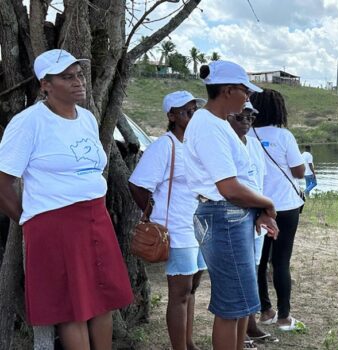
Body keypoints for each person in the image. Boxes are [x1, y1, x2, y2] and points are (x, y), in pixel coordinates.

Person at [0, 49, 133, 349]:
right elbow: (3, 183)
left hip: (95, 218)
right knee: (72, 307)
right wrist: (29, 218)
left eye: (79, 74)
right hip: (54, 223)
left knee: (103, 300)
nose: (78, 82)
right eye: (66, 77)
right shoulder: (29, 122)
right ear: (45, 85)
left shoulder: (86, 118)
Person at [184, 60, 279, 350]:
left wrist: (258, 210)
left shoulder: (218, 124)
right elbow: (229, 188)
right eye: (245, 92)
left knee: (239, 305)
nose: (248, 98)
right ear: (227, 90)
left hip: (232, 217)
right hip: (223, 217)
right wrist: (267, 203)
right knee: (230, 308)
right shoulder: (209, 127)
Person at [129, 90, 207, 350]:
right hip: (176, 229)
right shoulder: (165, 145)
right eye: (187, 111)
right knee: (180, 293)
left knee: (192, 288)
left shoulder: (195, 144)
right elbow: (138, 185)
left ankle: (188, 342)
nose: (193, 115)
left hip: (198, 228)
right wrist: (152, 213)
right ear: (172, 116)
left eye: (195, 110)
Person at [248, 89, 307, 332]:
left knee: (259, 263)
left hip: (257, 204)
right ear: (279, 109)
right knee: (281, 262)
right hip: (286, 206)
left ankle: (265, 311)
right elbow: (299, 171)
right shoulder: (284, 136)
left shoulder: (246, 133)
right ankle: (284, 317)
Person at [225, 102, 280, 344]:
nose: (246, 121)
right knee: (237, 274)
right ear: (228, 116)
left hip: (255, 215)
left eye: (250, 116)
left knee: (251, 271)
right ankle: (239, 330)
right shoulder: (225, 144)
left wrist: (263, 211)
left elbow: (260, 183)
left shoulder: (255, 145)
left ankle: (249, 325)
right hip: (234, 216)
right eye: (241, 116)